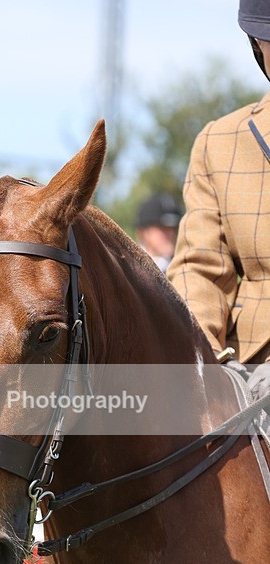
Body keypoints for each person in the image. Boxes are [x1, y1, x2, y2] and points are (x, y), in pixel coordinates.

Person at [168, 0, 270, 403]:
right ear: (257, 42)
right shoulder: (220, 142)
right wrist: (200, 361)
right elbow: (201, 269)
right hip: (252, 367)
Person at [135, 192, 182, 273]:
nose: (170, 233)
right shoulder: (130, 270)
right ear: (143, 232)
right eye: (162, 228)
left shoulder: (182, 267)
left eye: (173, 228)